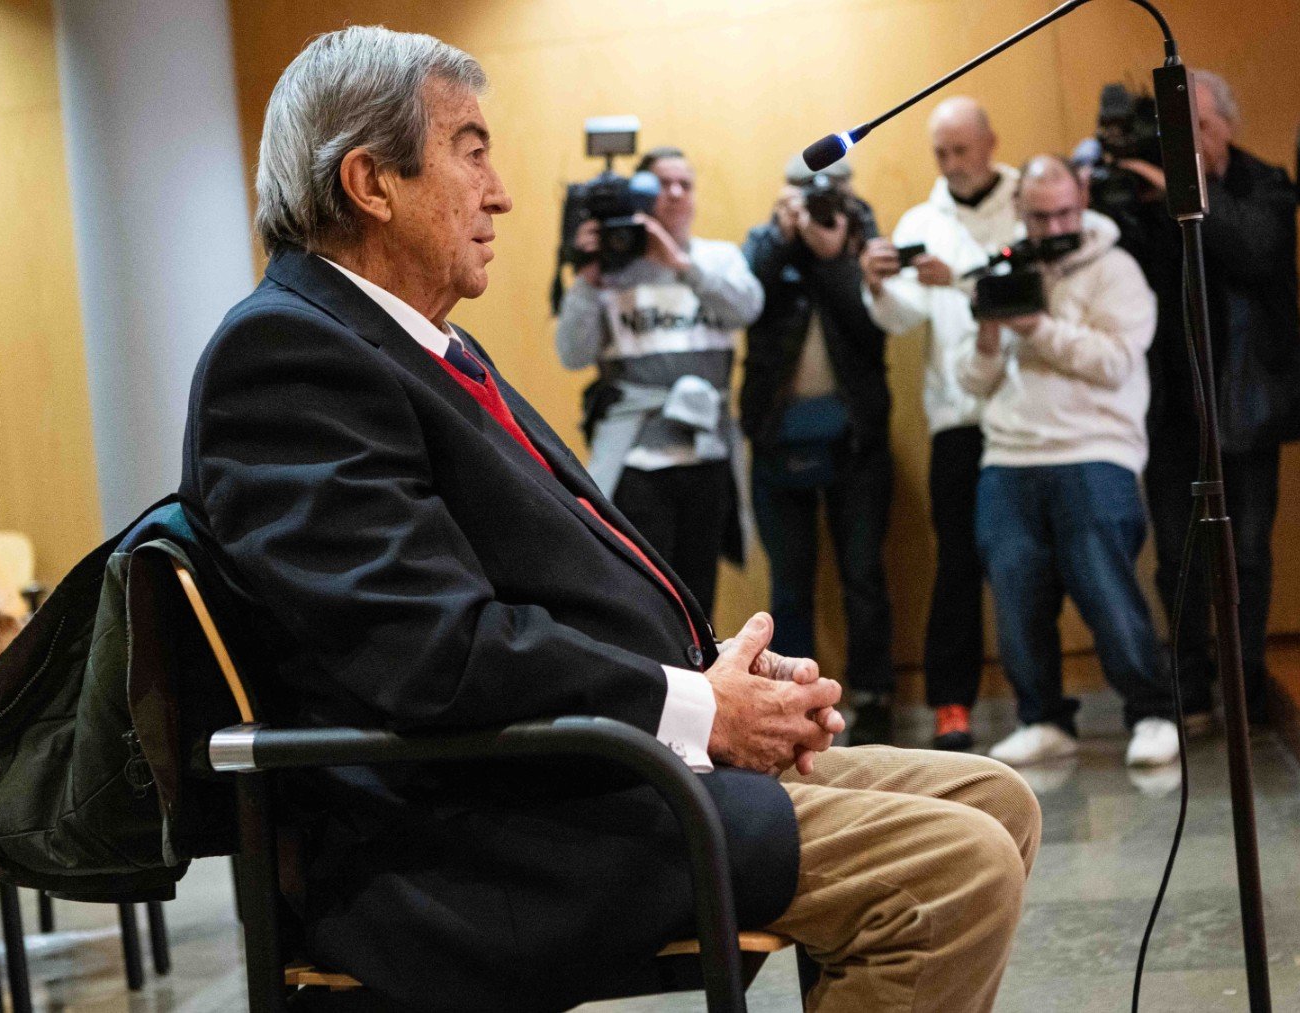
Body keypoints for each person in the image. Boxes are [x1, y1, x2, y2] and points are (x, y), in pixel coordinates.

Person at [185, 27, 1038, 1011]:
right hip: (475, 831)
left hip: (574, 763)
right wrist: (697, 705)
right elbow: (435, 651)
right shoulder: (288, 357)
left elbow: (538, 581)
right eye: (470, 149)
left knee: (997, 799)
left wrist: (717, 671)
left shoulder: (403, 339)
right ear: (373, 183)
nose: (499, 190)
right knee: (956, 871)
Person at [1102, 70, 1300, 725]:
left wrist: (1184, 188)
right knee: (1178, 556)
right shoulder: (1145, 196)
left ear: (1226, 125)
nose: (1189, 141)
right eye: (1178, 131)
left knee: (1248, 553)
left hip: (1246, 399)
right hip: (1173, 401)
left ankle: (1246, 688)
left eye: (1198, 127)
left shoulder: (1266, 184)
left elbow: (1255, 251)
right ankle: (1191, 690)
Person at [957, 156, 1177, 769]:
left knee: (1107, 590)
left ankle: (1154, 713)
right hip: (1007, 456)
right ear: (1019, 213)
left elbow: (1113, 363)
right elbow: (972, 382)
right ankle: (1043, 718)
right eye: (1039, 216)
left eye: (1065, 213)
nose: (1054, 227)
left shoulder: (1117, 270)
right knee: (1016, 596)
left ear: (1082, 202)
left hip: (1094, 452)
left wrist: (1037, 326)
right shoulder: (999, 269)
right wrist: (990, 334)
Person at [859, 96, 1020, 752]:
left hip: (1034, 409)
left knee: (1033, 561)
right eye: (941, 153)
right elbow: (900, 317)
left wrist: (958, 280)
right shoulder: (922, 219)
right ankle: (951, 701)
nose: (953, 163)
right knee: (958, 561)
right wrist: (875, 285)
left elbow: (1030, 288)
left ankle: (1042, 703)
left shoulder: (1030, 201)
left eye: (962, 149)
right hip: (958, 415)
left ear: (989, 142)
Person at [554, 145, 763, 618]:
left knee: (698, 599)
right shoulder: (611, 268)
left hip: (706, 453)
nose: (674, 194)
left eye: (684, 184)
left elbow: (747, 309)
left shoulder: (719, 259)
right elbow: (572, 354)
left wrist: (682, 265)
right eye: (660, 185)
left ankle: (707, 691)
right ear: (640, 197)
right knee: (646, 598)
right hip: (638, 459)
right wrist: (587, 278)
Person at [742, 156, 895, 745]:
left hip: (856, 439)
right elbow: (741, 300)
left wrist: (834, 258)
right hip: (780, 438)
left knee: (863, 574)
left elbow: (870, 324)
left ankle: (874, 698)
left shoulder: (866, 245)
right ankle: (794, 707)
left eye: (832, 190)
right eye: (805, 191)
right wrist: (782, 240)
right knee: (790, 583)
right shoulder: (765, 243)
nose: (818, 201)